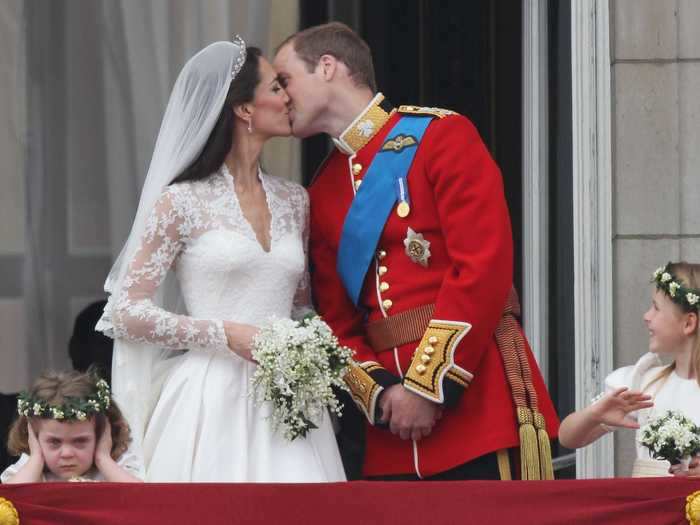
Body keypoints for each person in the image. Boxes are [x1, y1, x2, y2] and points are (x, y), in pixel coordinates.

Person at [273, 22, 559, 481]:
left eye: (285, 80)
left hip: (476, 406)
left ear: (327, 67)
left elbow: (482, 268)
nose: (280, 97)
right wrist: (383, 395)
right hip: (391, 434)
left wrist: (428, 387)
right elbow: (337, 324)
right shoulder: (323, 189)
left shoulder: (441, 136)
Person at [96, 38, 345, 482]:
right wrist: (225, 334)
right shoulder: (181, 202)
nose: (288, 97)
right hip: (209, 399)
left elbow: (300, 306)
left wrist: (311, 346)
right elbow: (126, 311)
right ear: (243, 109)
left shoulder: (294, 200)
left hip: (289, 400)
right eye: (275, 87)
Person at [559, 262, 700, 478]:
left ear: (689, 323)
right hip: (649, 509)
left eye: (656, 307)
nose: (646, 316)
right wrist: (594, 415)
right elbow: (568, 438)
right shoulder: (642, 383)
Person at [2, 370, 142, 483]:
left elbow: (143, 499)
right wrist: (36, 459)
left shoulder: (116, 469)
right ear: (34, 439)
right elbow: (8, 502)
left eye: (80, 441)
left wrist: (103, 459)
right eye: (54, 442)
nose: (67, 454)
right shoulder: (28, 471)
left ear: (101, 436)